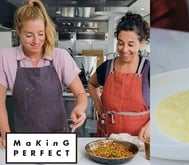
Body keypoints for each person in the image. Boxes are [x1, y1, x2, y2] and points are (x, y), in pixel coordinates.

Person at [0, 0, 88, 148]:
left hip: (58, 140)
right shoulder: (5, 58)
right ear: (18, 31)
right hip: (24, 142)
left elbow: (81, 93)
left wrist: (80, 108)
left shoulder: (60, 56)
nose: (36, 41)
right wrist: (6, 134)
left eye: (41, 34)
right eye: (29, 35)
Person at [88, 12, 150, 141]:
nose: (124, 49)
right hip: (107, 139)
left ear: (142, 42)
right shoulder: (107, 67)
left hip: (139, 142)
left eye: (131, 44)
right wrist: (99, 105)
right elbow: (92, 84)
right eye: (120, 43)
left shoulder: (148, 69)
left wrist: (152, 125)